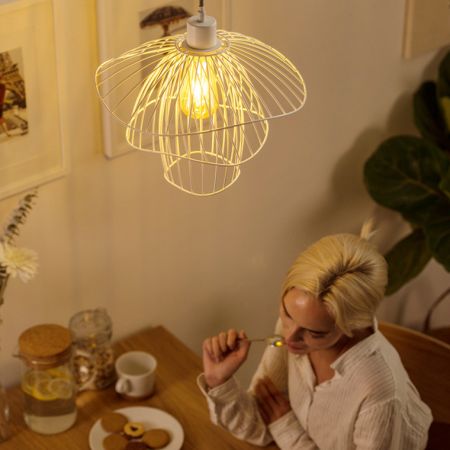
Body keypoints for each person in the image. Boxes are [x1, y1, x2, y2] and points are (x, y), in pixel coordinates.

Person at [197, 222, 432, 449]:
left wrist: (287, 429)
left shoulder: (380, 395)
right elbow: (261, 427)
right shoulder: (293, 333)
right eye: (287, 313)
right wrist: (220, 381)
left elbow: (277, 425)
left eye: (315, 333)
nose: (290, 338)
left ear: (354, 325)